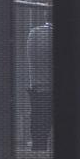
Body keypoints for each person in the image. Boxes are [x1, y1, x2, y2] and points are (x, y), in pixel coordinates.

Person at [26, 19, 53, 151]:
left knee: (38, 128)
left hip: (36, 89)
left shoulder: (34, 34)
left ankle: (37, 156)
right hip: (53, 91)